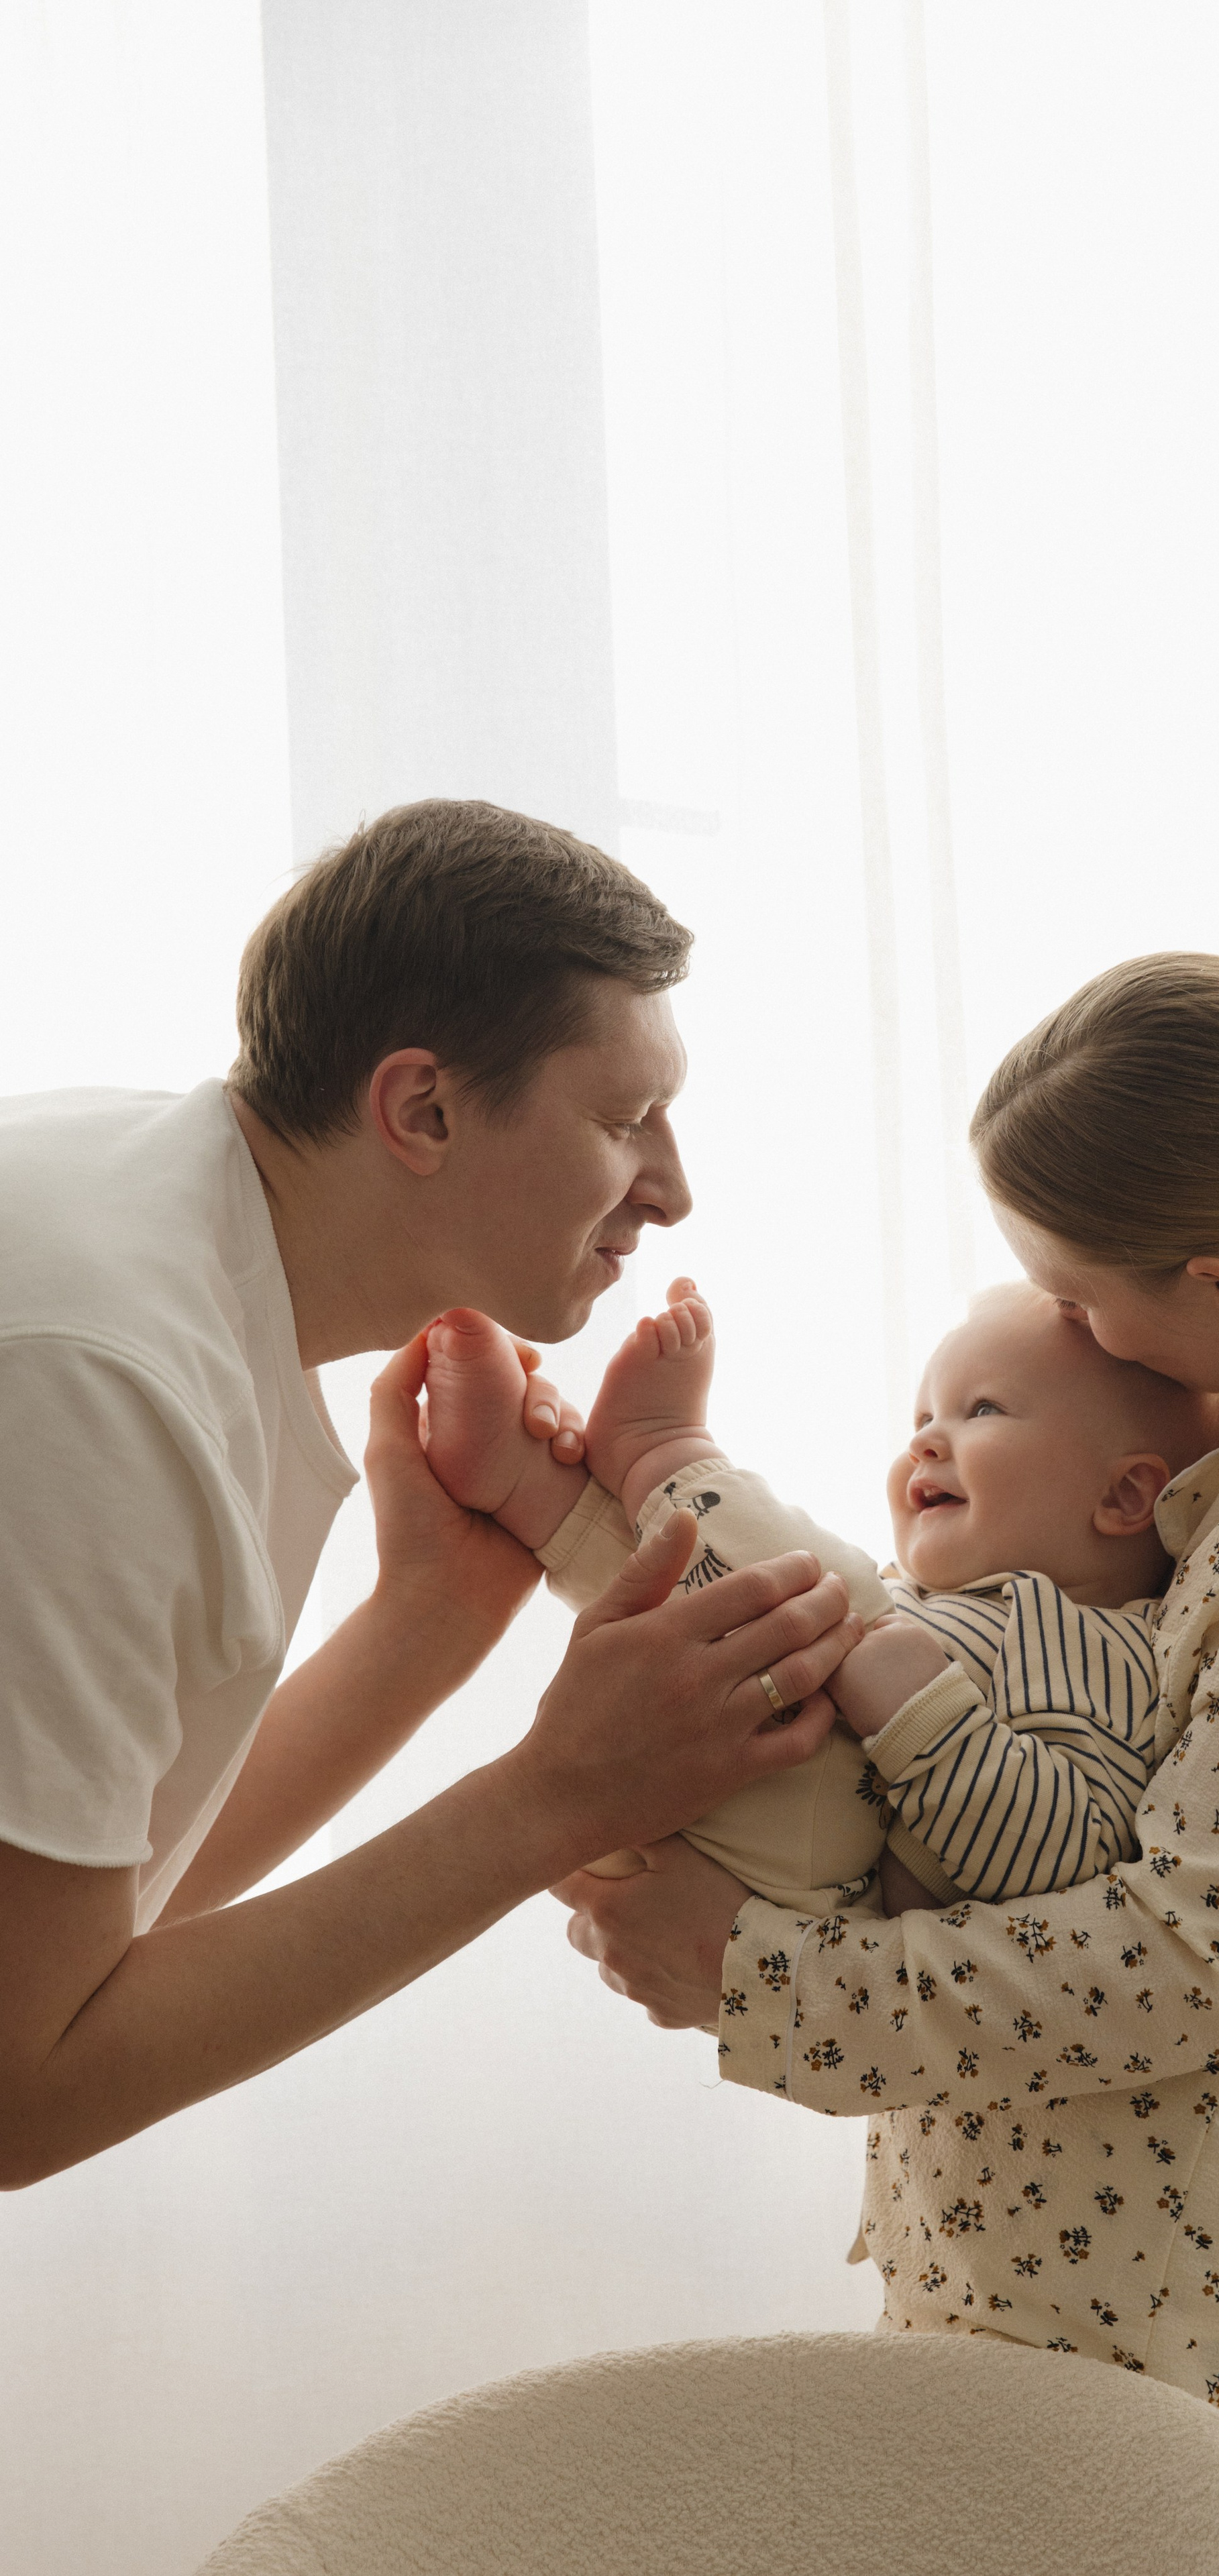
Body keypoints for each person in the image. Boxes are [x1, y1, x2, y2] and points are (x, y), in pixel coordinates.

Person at [558, 951, 1219, 2500]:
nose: (1065, 1329)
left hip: (1161, 2340)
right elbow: (1036, 1694)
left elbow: (1194, 1957)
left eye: (1077, 1297)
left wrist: (760, 1979)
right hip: (1076, 2279)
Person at [0, 799, 862, 2190]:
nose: (674, 1192)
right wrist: (551, 1800)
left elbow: (81, 1913)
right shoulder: (95, 1381)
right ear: (421, 1107)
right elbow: (18, 2092)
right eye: (626, 1118)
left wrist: (430, 1620)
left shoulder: (154, 1236)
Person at [421, 1276, 1219, 1915]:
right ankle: (533, 1493)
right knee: (724, 1606)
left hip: (832, 1870)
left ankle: (662, 1454)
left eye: (982, 1409)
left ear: (1126, 1498)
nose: (922, 1439)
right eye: (923, 1414)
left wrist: (921, 1712)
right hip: (689, 1793)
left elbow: (1066, 1864)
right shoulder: (926, 1602)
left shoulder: (1109, 1652)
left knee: (828, 1597)